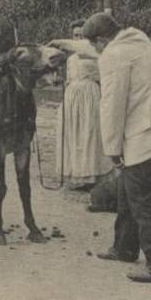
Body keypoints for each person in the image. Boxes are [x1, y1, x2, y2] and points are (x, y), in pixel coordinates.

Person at [83, 12, 151, 284]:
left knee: (141, 198)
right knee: (129, 187)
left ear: (102, 40)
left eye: (95, 45)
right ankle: (124, 248)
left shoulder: (113, 56)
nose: (96, 51)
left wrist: (112, 148)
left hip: (147, 133)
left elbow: (112, 106)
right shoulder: (139, 40)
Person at [53, 20, 112, 190]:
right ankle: (77, 173)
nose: (78, 39)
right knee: (72, 131)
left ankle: (93, 174)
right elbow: (68, 78)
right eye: (75, 35)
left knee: (90, 131)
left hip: (90, 95)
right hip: (72, 96)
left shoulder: (96, 54)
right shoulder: (70, 59)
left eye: (81, 35)